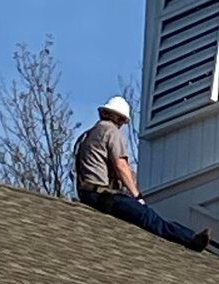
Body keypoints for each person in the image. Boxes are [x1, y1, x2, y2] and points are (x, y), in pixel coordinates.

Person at [74, 96, 211, 252]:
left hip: (86, 194)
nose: (121, 125)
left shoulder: (87, 135)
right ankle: (191, 239)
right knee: (149, 217)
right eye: (122, 121)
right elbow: (121, 166)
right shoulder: (110, 131)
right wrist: (137, 196)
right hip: (102, 195)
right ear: (118, 118)